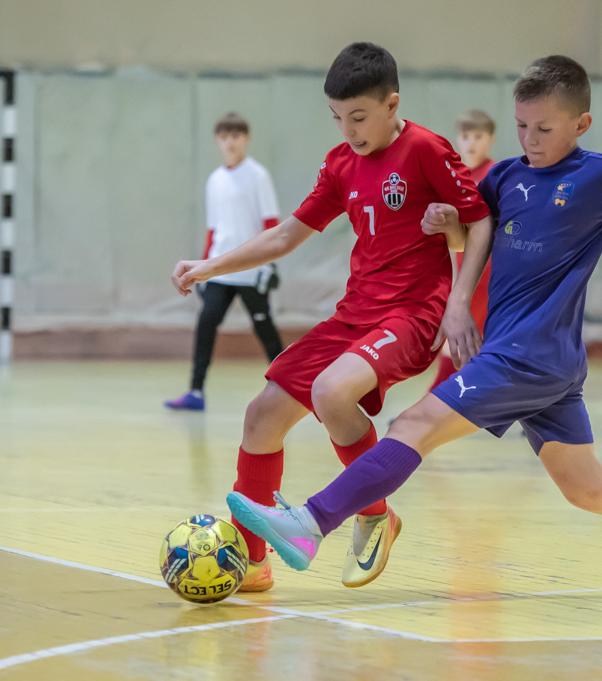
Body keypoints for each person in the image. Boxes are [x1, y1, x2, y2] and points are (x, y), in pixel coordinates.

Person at [227, 55, 602, 598]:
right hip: (541, 364)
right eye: (521, 127)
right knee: (588, 489)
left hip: (526, 357)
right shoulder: (505, 178)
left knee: (412, 425)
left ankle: (310, 524)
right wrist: (448, 226)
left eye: (545, 129)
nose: (530, 140)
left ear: (581, 124)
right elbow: (470, 230)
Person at [171, 43, 491, 591]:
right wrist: (209, 266)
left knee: (330, 391)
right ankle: (253, 563)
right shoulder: (341, 163)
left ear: (392, 104)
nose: (349, 130)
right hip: (356, 313)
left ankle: (375, 514)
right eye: (338, 117)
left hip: (414, 313)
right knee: (262, 416)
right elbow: (284, 236)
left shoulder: (426, 149)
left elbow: (479, 222)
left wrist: (458, 303)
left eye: (359, 117)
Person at [165, 112, 284, 412]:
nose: (230, 142)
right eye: (224, 136)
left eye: (236, 136)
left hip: (252, 269)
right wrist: (203, 267)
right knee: (206, 324)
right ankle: (195, 391)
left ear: (246, 139)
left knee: (265, 327)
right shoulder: (215, 180)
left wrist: (270, 264)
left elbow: (271, 223)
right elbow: (213, 229)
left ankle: (287, 388)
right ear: (217, 141)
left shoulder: (258, 176)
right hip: (220, 270)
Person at [424, 110, 497, 393]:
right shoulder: (457, 178)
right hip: (464, 271)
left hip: (489, 272)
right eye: (466, 136)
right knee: (462, 339)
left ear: (491, 138)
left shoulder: (495, 175)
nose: (471, 143)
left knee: (462, 338)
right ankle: (442, 398)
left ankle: (436, 399)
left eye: (478, 136)